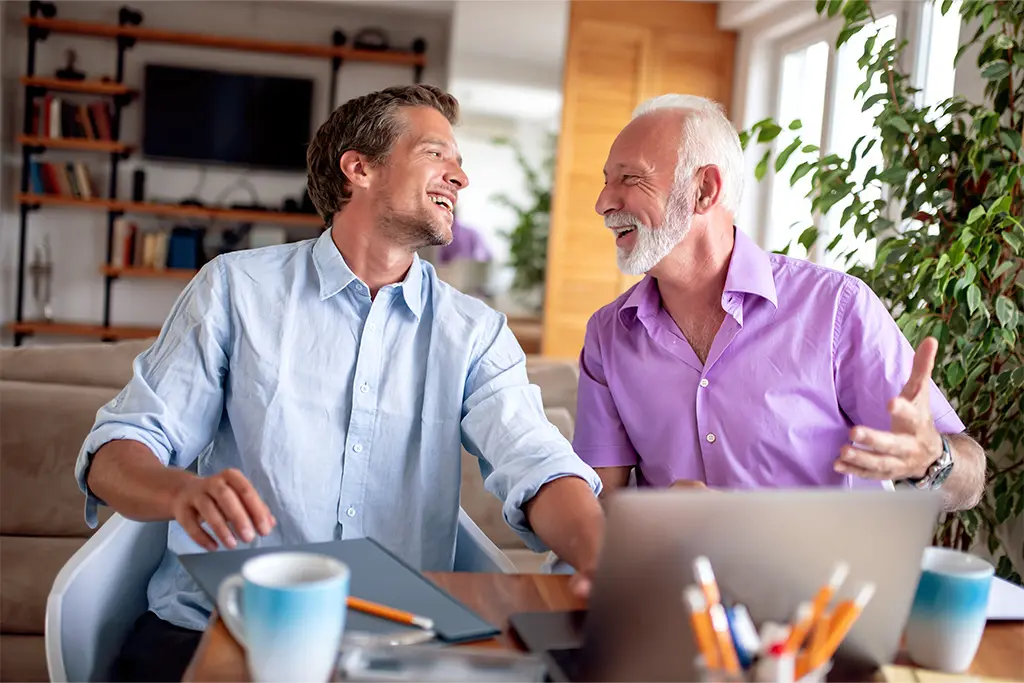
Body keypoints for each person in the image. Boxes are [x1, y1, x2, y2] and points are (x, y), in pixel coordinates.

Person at [75, 84, 604, 682]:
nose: (460, 177)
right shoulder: (235, 290)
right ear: (360, 168)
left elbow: (536, 460)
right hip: (215, 626)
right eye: (437, 154)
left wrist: (604, 558)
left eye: (460, 162)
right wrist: (179, 493)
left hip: (394, 648)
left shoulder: (474, 332)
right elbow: (116, 451)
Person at [573, 94, 986, 512]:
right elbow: (600, 506)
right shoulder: (608, 335)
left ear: (704, 190)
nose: (603, 202)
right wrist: (655, 520)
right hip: (676, 575)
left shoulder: (835, 308)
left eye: (630, 179)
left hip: (821, 577)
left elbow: (969, 482)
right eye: (607, 180)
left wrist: (932, 460)